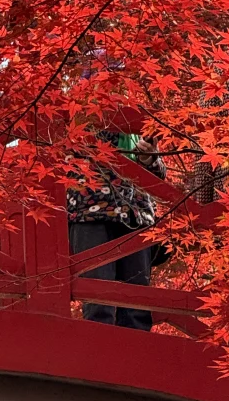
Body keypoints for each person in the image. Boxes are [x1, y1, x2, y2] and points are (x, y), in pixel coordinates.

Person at [67, 132, 164, 330]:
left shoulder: (136, 129)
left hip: (136, 215)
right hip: (90, 213)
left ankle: (136, 349)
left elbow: (159, 179)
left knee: (137, 304)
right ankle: (99, 349)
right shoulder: (80, 124)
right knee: (98, 301)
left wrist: (149, 158)